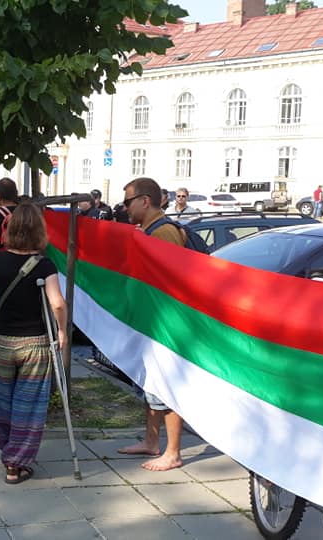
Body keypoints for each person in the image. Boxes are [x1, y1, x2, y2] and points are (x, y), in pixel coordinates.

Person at [0, 203, 67, 484]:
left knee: (1, 400)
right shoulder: (45, 265)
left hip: (1, 341)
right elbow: (57, 304)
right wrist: (62, 331)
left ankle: (8, 449)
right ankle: (15, 462)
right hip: (34, 344)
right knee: (29, 404)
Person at [117, 177, 187, 472]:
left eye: (128, 202)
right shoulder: (149, 231)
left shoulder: (164, 233)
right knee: (151, 384)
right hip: (152, 322)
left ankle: (173, 452)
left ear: (145, 201)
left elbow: (171, 281)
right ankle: (151, 441)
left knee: (167, 386)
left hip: (165, 325)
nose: (124, 208)